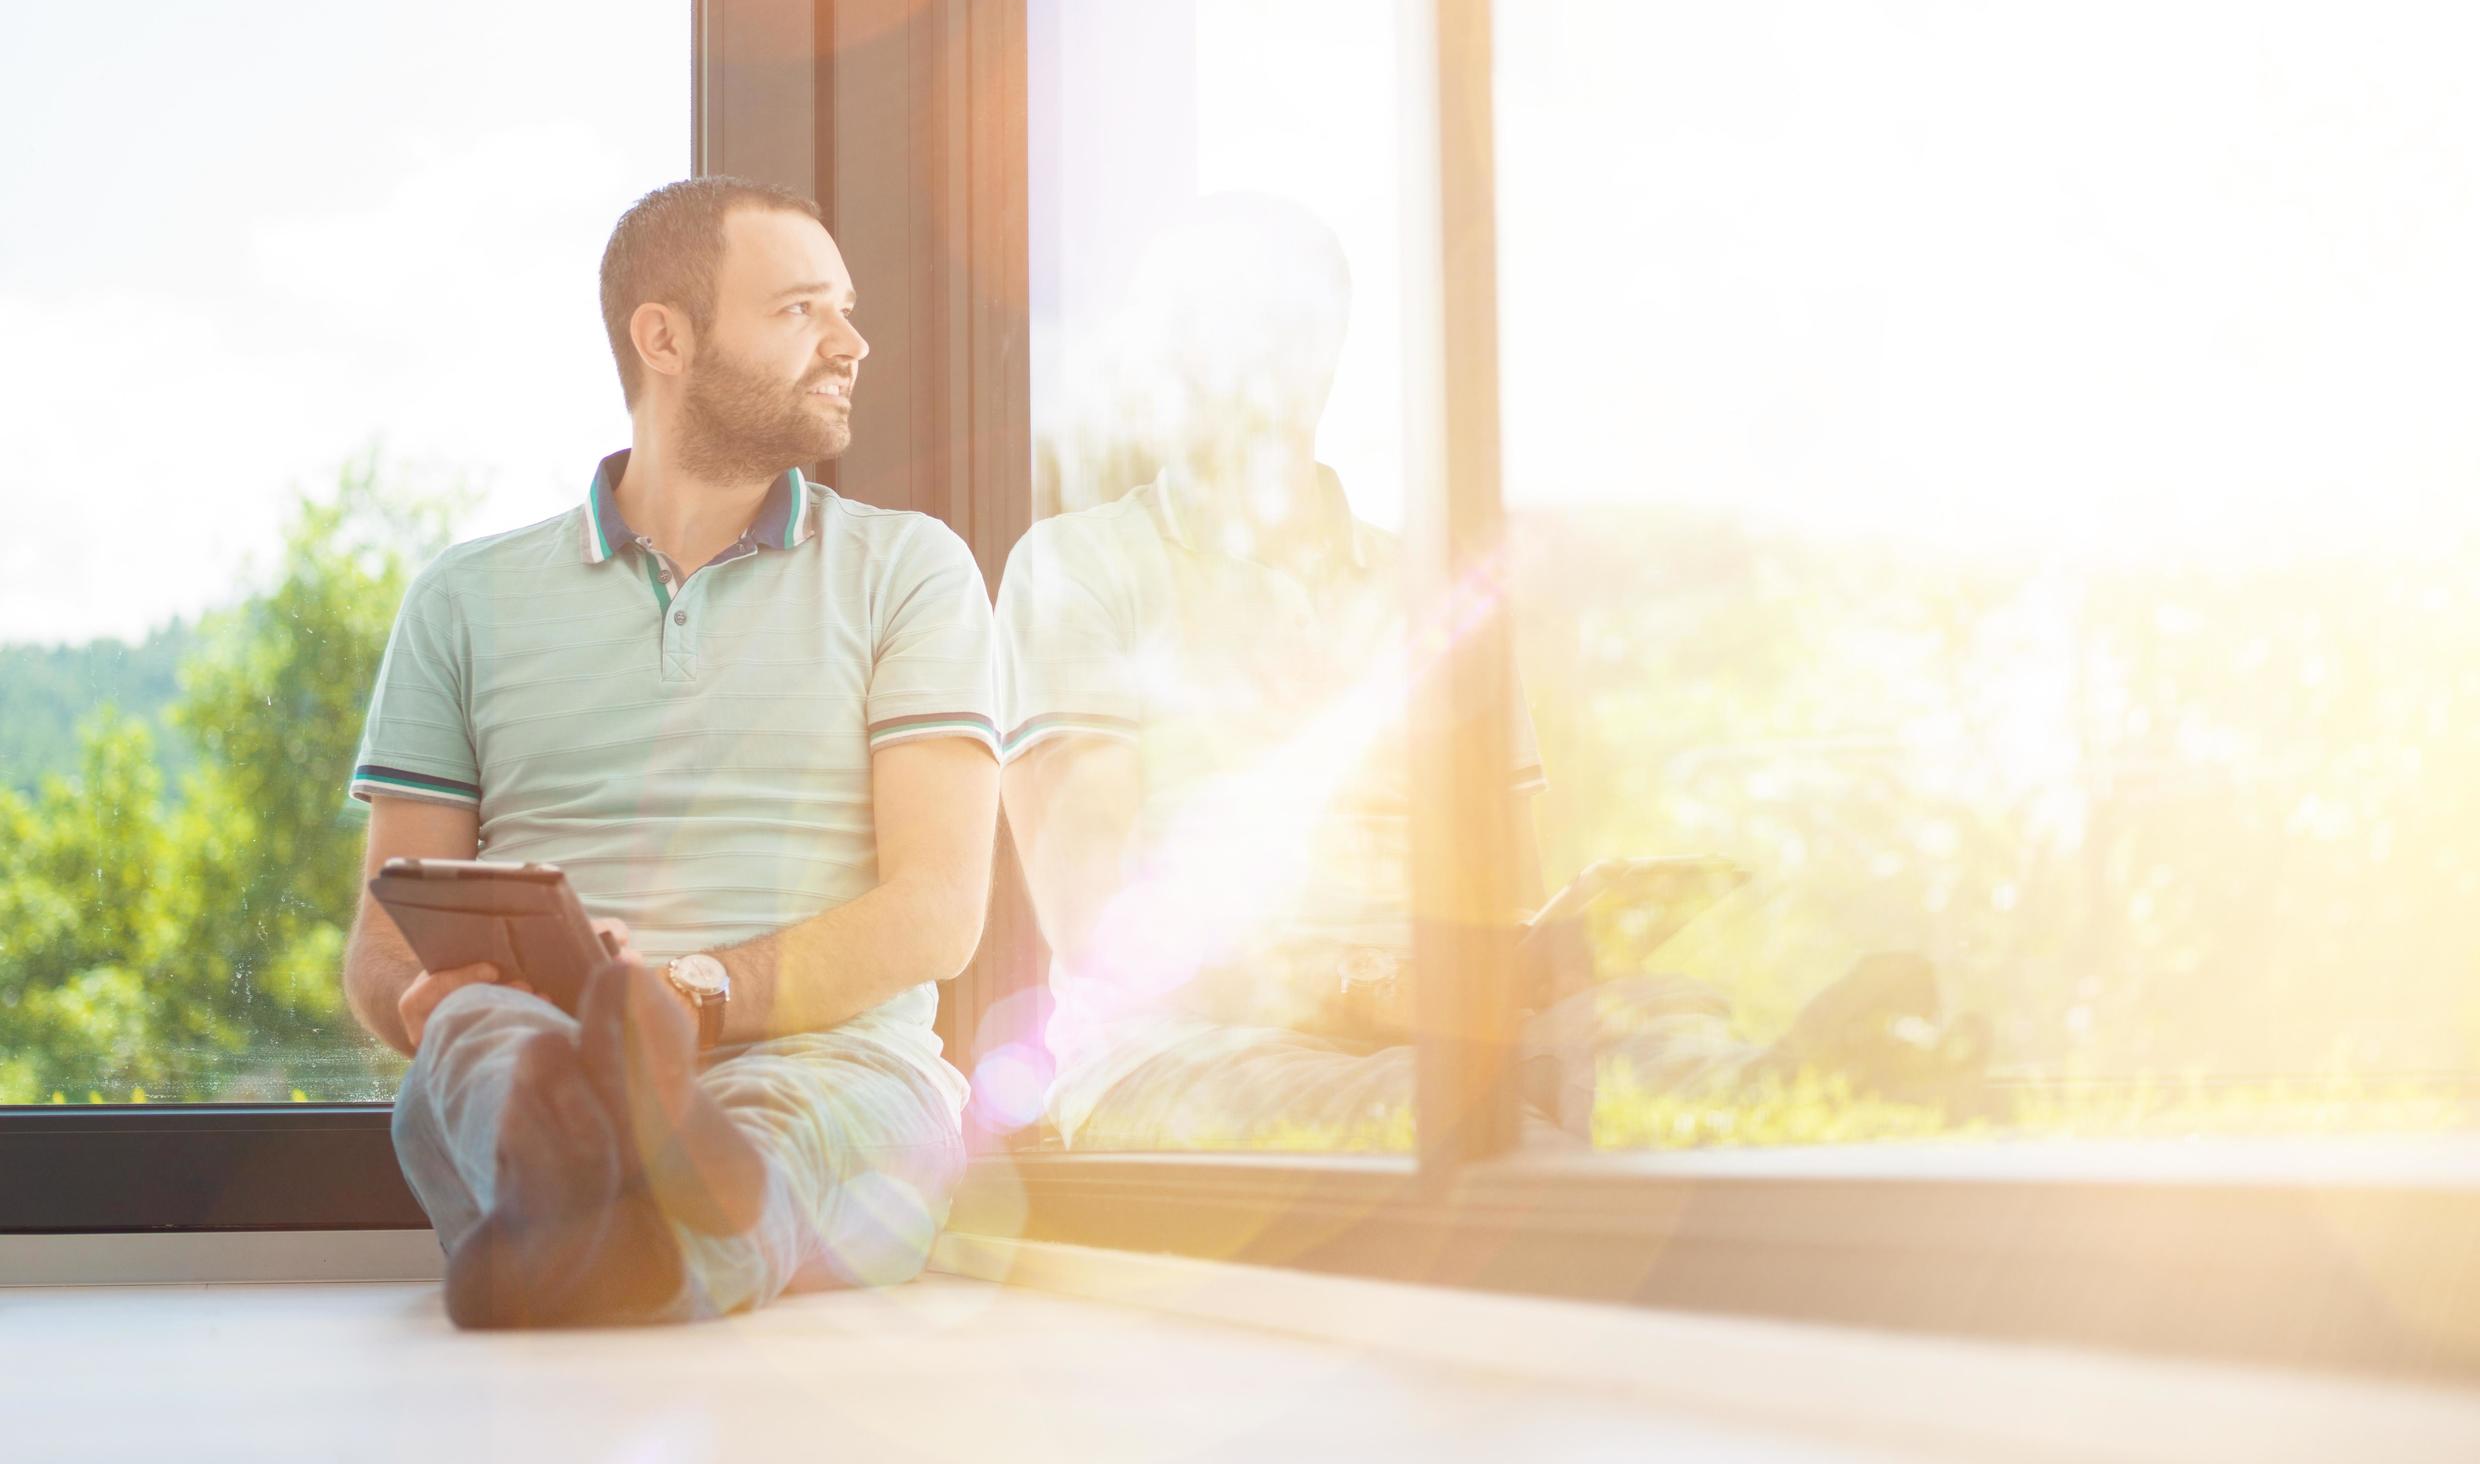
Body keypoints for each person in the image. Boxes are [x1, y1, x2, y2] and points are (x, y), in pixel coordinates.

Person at [995, 194, 1980, 1151]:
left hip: (1444, 1022)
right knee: (1490, 1136)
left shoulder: (1434, 596)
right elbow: (1102, 931)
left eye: (1282, 320)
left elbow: (1508, 893)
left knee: (1666, 1042)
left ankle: (1797, 1087)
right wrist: (1363, 982)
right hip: (1180, 1052)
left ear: (1329, 350)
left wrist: (1549, 954)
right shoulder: (1078, 568)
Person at [340, 178, 1000, 1328]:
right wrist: (424, 999)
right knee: (484, 1044)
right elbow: (383, 942)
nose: (851, 343)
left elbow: (938, 910)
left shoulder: (912, 571)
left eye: (843, 308)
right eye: (802, 310)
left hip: (832, 1061)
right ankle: (631, 1206)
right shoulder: (464, 599)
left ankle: (591, 1224)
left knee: (798, 1124)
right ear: (666, 337)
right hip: (548, 1043)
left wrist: (685, 1001)